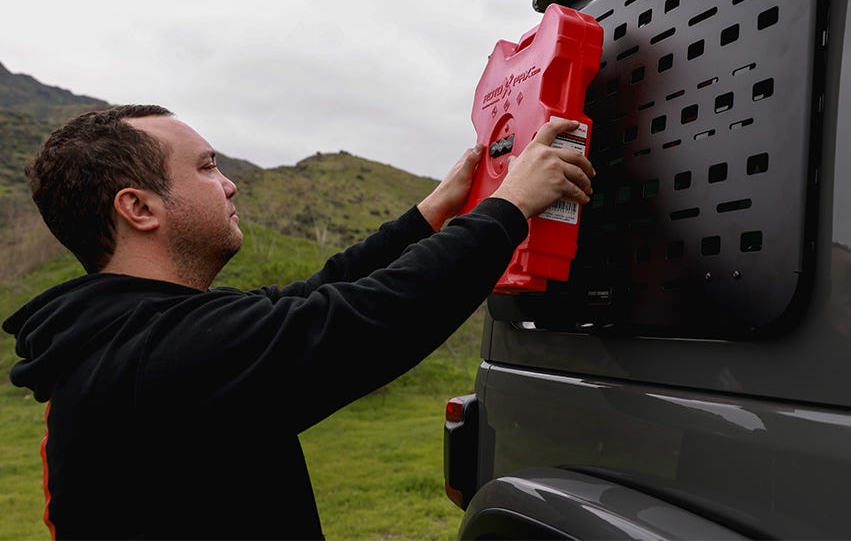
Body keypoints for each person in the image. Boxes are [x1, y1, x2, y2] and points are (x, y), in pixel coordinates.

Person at [2, 104, 595, 540]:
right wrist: (510, 206)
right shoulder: (160, 352)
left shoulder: (129, 334)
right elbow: (368, 319)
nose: (230, 183)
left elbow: (311, 298)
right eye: (207, 168)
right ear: (139, 208)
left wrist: (428, 215)